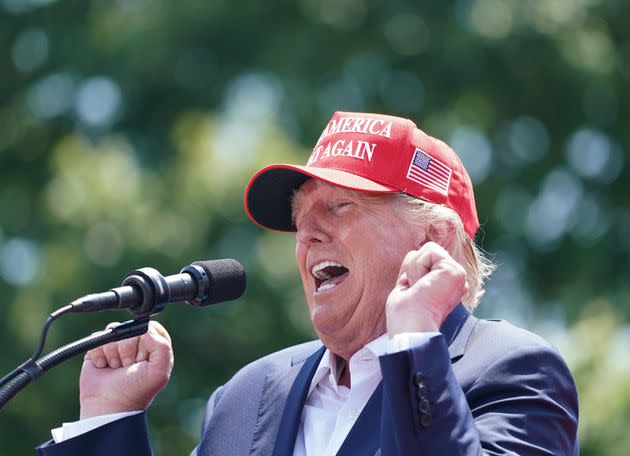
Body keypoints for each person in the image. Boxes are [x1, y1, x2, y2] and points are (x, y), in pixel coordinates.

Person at [37, 112, 579, 455]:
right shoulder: (245, 396)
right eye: (301, 219)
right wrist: (109, 420)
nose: (308, 235)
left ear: (431, 237)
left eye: (341, 206)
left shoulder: (514, 371)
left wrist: (414, 342)